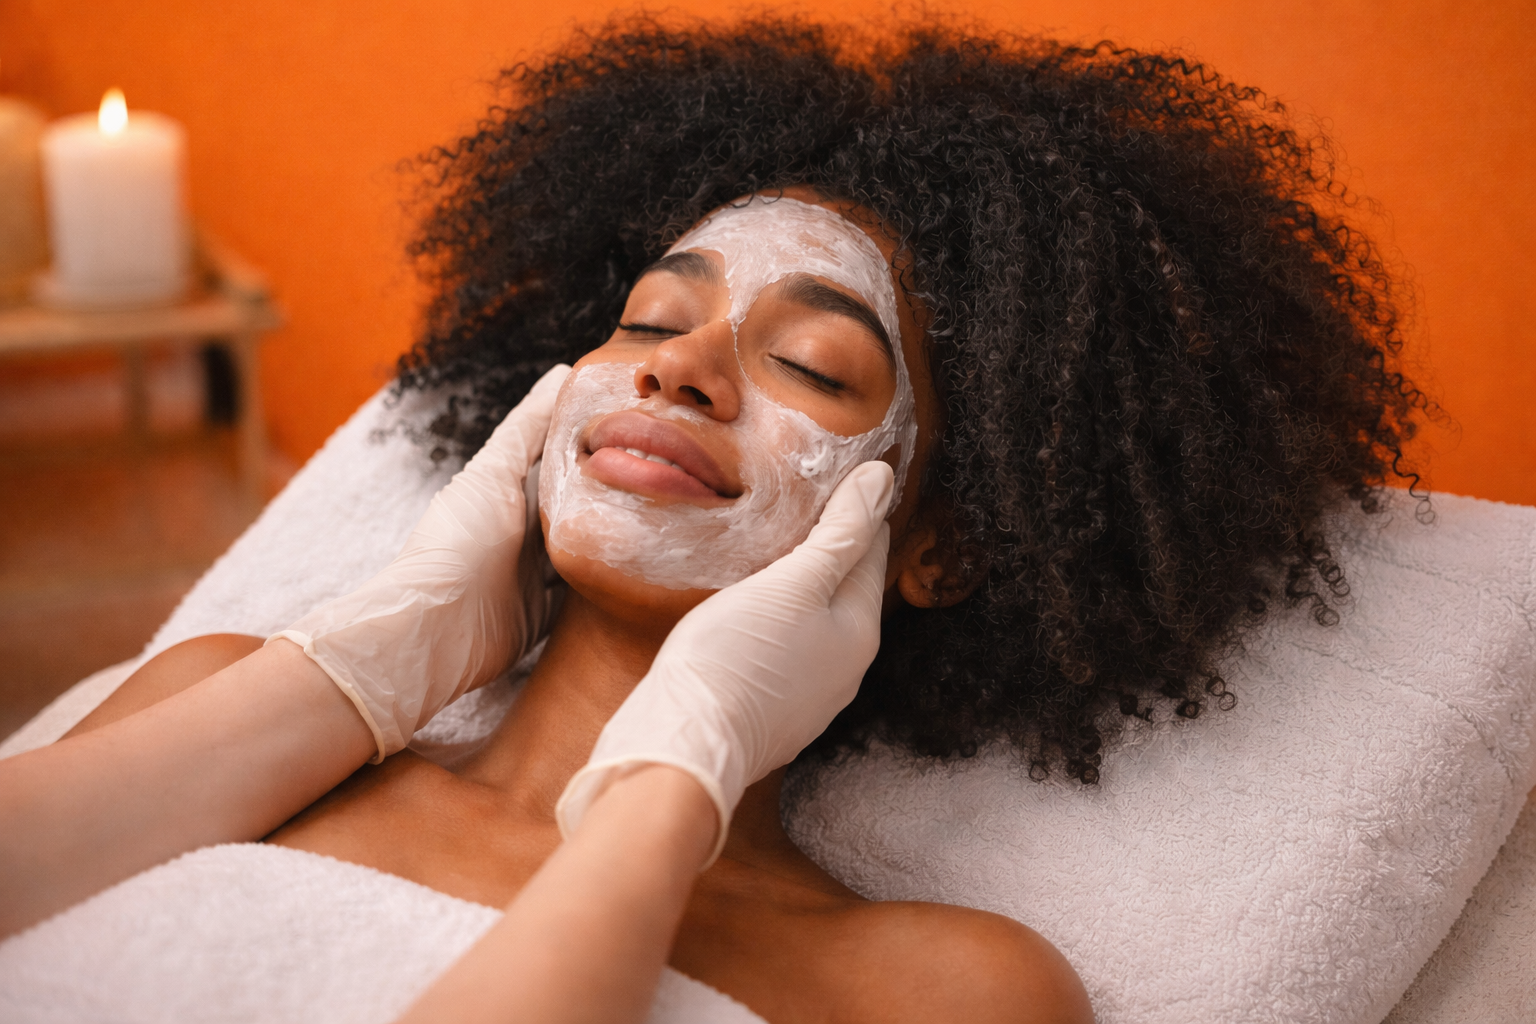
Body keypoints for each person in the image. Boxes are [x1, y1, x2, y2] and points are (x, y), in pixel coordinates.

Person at [0, 15, 1424, 1024]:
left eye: (810, 364)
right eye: (648, 322)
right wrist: (358, 672)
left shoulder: (939, 992)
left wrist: (673, 777)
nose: (679, 366)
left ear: (943, 544)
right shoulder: (232, 714)